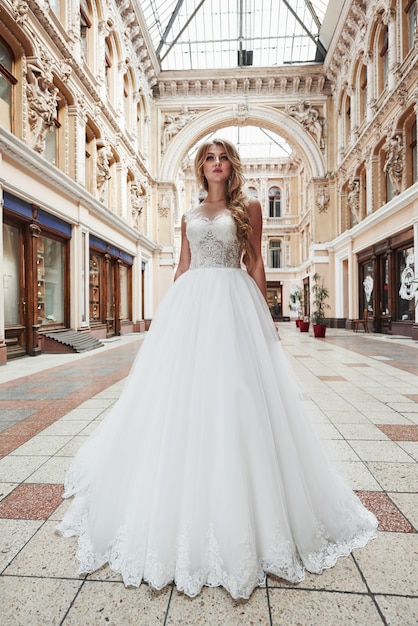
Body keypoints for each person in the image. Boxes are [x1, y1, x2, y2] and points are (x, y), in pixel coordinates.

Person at [57, 138, 377, 600]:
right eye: (209, 158)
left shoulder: (248, 206)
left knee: (238, 393)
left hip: (233, 304)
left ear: (232, 166)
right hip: (192, 307)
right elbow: (184, 266)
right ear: (200, 168)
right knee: (184, 394)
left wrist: (265, 317)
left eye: (223, 157)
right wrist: (167, 320)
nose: (217, 164)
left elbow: (254, 263)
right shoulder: (188, 215)